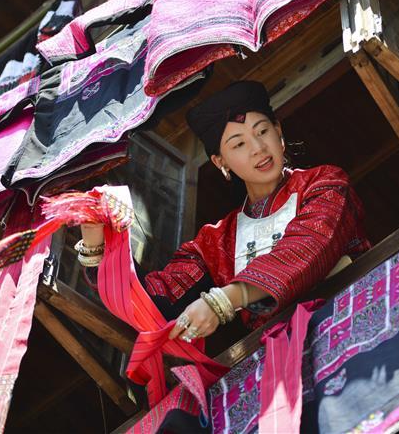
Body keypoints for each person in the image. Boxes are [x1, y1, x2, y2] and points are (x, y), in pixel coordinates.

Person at [78, 80, 370, 343]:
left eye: (263, 131)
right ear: (221, 163)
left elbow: (309, 244)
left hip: (356, 310)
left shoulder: (325, 183)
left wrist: (225, 301)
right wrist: (97, 245)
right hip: (285, 354)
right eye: (239, 144)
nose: (257, 147)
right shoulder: (215, 243)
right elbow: (158, 301)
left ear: (278, 132)